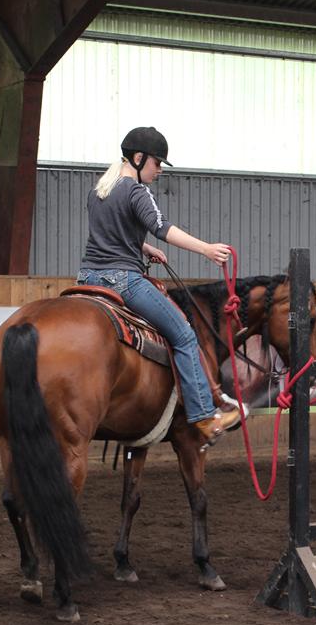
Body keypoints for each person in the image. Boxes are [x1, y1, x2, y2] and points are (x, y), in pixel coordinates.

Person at [75, 126, 241, 446]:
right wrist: (206, 249)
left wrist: (143, 247)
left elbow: (110, 233)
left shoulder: (98, 191)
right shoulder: (136, 192)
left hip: (87, 279)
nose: (159, 169)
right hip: (123, 281)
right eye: (156, 162)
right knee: (183, 334)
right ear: (138, 158)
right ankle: (205, 416)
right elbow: (162, 228)